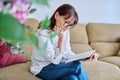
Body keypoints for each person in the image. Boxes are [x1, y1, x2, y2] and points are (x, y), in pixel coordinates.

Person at [30, 4, 99, 80]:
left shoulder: (65, 30)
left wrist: (84, 58)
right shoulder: (42, 34)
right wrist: (60, 39)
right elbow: (55, 61)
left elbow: (67, 52)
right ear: (56, 15)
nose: (67, 27)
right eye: (66, 22)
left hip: (59, 67)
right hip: (42, 69)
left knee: (73, 78)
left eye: (70, 25)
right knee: (76, 66)